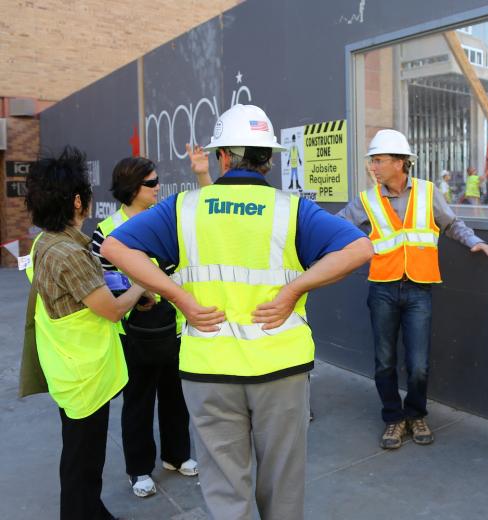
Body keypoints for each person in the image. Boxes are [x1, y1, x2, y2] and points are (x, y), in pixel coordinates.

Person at [102, 104, 373, 520]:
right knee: (283, 484)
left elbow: (114, 247)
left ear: (223, 156)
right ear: (268, 159)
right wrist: (294, 290)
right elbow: (360, 248)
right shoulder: (291, 209)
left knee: (226, 487)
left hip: (209, 367)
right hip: (281, 366)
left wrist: (180, 298)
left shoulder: (184, 208)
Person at [338, 129, 488, 450]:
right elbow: (337, 224)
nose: (373, 167)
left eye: (379, 160)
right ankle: (393, 418)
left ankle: (415, 414)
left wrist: (474, 241)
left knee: (419, 365)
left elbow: (451, 224)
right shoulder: (367, 199)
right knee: (384, 361)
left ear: (400, 163)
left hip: (418, 289)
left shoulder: (427, 192)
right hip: (382, 289)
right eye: (372, 160)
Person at [21, 146, 146, 519]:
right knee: (83, 464)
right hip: (85, 377)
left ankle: (90, 510)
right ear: (78, 201)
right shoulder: (70, 254)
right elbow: (111, 310)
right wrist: (141, 286)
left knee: (79, 459)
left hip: (66, 369)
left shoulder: (45, 242)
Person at [91, 157, 197, 498]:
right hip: (133, 331)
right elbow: (104, 278)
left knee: (175, 395)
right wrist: (139, 292)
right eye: (151, 183)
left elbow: (179, 264)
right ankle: (139, 469)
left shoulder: (165, 219)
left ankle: (177, 455)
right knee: (138, 401)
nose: (157, 187)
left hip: (174, 325)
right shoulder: (107, 229)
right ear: (131, 188)